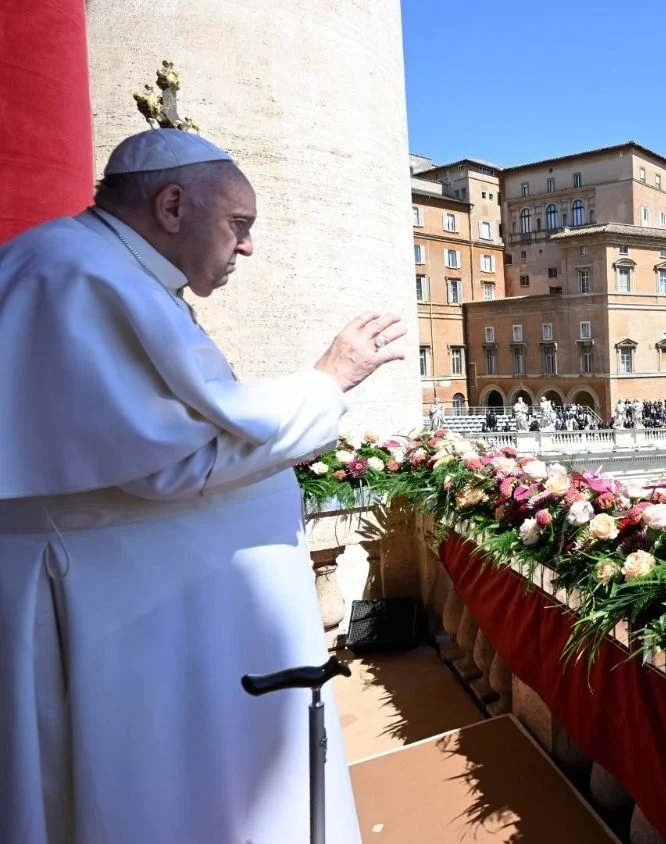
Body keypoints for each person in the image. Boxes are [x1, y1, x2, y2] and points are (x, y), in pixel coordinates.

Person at [0, 129, 402, 843]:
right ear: (172, 206)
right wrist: (329, 380)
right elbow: (174, 460)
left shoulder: (96, 267)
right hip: (107, 608)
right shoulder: (80, 276)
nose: (247, 247)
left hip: (133, 600)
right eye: (238, 224)